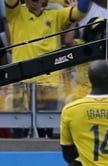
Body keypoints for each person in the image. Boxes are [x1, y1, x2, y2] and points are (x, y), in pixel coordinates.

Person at [6, 0, 91, 138]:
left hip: (50, 83)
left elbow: (80, 10)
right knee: (19, 129)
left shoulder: (56, 15)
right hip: (21, 83)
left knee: (46, 130)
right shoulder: (15, 13)